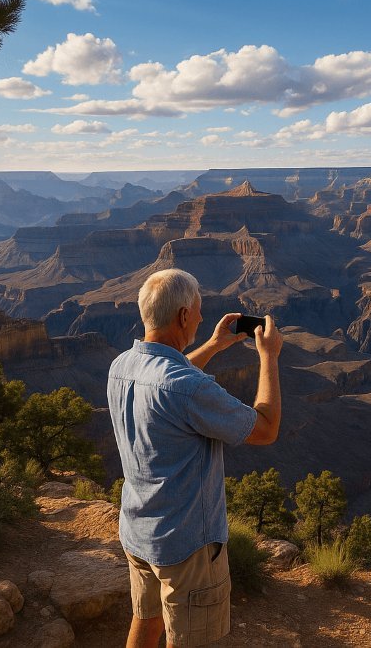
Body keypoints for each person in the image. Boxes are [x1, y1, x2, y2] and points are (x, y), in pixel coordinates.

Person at [107, 268, 283, 648]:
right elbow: (266, 429)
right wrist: (269, 357)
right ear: (184, 316)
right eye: (198, 312)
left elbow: (170, 381)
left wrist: (216, 346)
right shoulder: (185, 387)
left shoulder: (120, 367)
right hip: (187, 546)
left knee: (145, 620)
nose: (202, 319)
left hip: (137, 531)